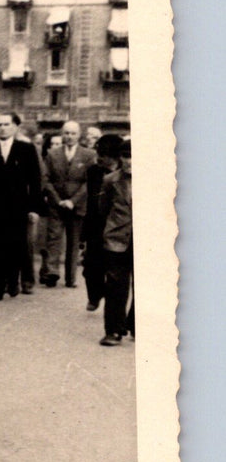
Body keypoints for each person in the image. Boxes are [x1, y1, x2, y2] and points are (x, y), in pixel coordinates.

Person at [0, 112, 42, 299]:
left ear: (15, 127)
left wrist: (34, 208)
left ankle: (13, 282)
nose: (2, 128)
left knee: (16, 244)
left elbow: (35, 180)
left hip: (19, 207)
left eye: (6, 124)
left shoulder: (26, 149)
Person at [42, 120, 96, 288]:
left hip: (77, 204)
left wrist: (73, 201)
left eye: (73, 133)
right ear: (62, 134)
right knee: (54, 238)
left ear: (79, 135)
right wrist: (57, 200)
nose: (69, 137)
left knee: (73, 242)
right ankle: (52, 273)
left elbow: (90, 182)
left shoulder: (89, 155)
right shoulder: (52, 154)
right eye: (66, 133)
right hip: (56, 204)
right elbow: (45, 179)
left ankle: (70, 277)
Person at [82, 134, 124, 312]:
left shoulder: (126, 173)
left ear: (114, 156)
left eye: (103, 154)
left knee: (113, 269)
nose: (98, 157)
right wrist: (85, 233)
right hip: (96, 226)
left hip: (116, 227)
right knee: (90, 267)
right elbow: (91, 203)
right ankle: (95, 295)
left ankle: (111, 300)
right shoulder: (94, 172)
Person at [99, 140, 134, 346]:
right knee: (114, 286)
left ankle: (136, 324)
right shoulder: (110, 181)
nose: (129, 161)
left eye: (133, 157)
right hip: (116, 240)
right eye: (126, 156)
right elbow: (102, 210)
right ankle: (112, 330)